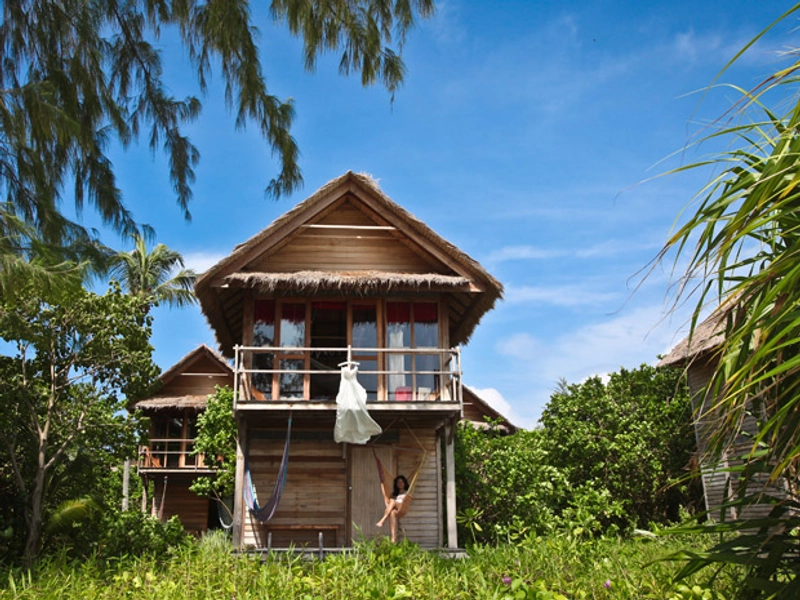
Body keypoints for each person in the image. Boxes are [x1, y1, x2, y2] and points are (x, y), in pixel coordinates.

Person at [376, 475, 410, 543]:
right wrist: (384, 490)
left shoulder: (407, 492)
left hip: (403, 508)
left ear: (405, 483)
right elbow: (388, 503)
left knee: (392, 501)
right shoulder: (394, 494)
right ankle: (393, 537)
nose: (400, 484)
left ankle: (383, 519)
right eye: (398, 482)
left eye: (402, 482)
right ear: (396, 484)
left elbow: (407, 501)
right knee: (392, 512)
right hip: (396, 509)